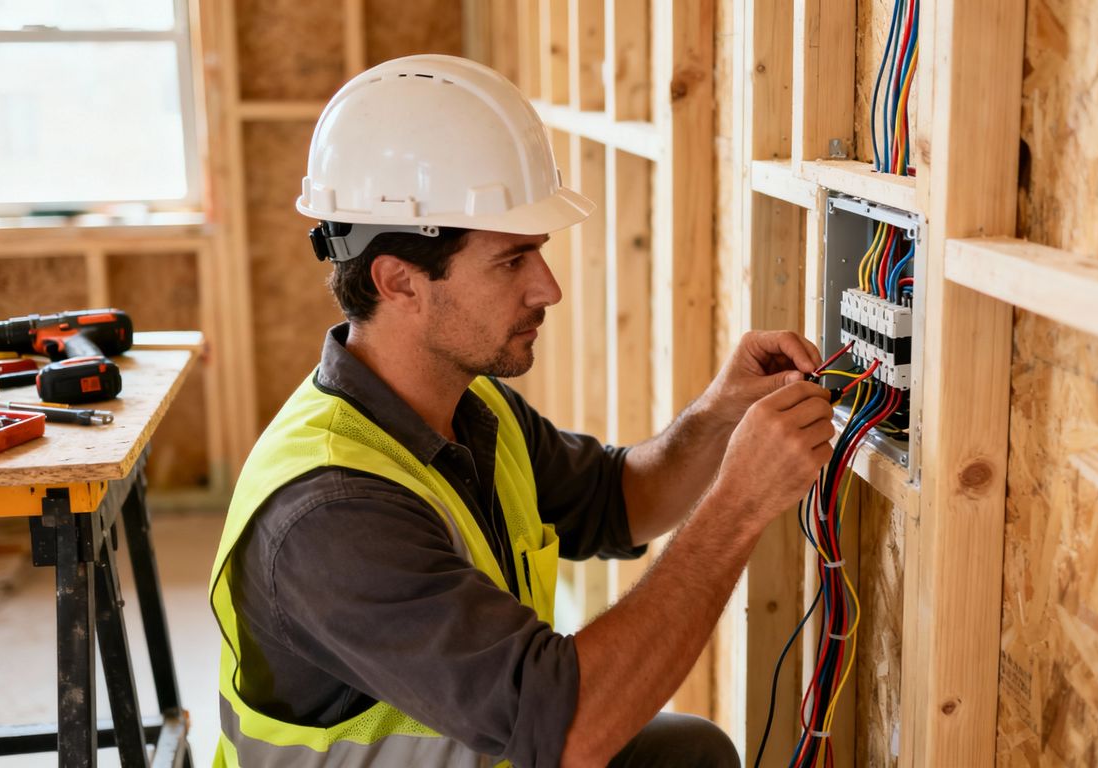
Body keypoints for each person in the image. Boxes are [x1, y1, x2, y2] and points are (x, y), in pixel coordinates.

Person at [208, 54, 836, 768]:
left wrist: (719, 418)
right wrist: (740, 506)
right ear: (399, 282)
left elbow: (617, 500)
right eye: (512, 261)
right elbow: (569, 733)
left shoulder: (470, 409)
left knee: (686, 752)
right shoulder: (331, 515)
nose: (548, 288)